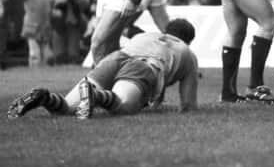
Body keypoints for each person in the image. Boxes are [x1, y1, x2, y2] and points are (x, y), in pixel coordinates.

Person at [7, 18, 198, 119]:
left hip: (115, 58)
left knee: (66, 108)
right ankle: (96, 95)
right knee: (121, 107)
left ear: (166, 30)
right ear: (188, 40)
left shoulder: (147, 35)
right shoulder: (187, 53)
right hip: (144, 66)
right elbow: (188, 104)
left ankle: (44, 97)